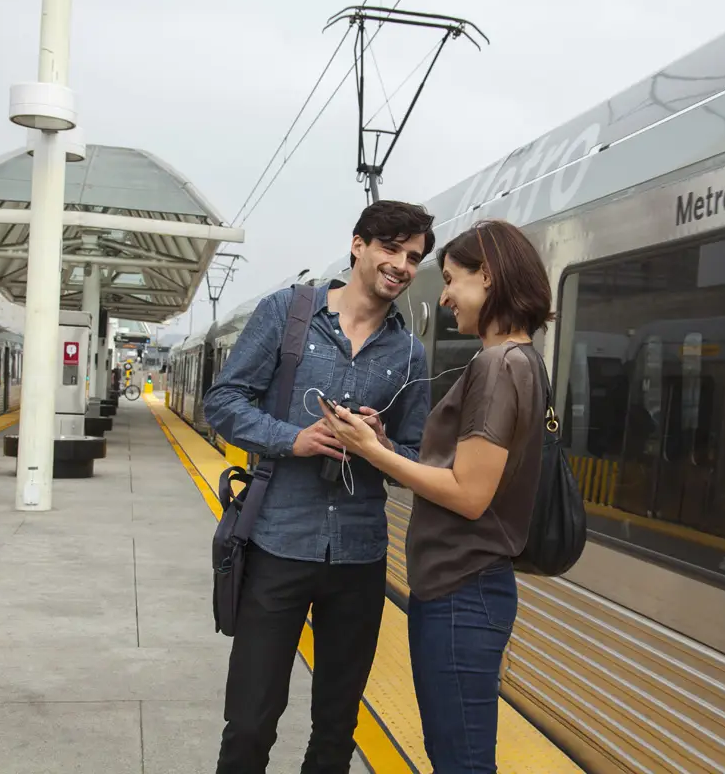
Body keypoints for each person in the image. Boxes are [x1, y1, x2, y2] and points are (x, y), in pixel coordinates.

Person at [202, 199, 435, 774]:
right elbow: (223, 401)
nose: (401, 265)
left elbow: (416, 456)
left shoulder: (410, 353)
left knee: (336, 727)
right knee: (251, 721)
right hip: (278, 544)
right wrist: (292, 440)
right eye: (390, 248)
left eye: (413, 257)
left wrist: (379, 448)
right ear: (357, 244)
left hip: (359, 557)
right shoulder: (287, 314)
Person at [319, 219, 553, 773]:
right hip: (466, 589)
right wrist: (382, 440)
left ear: (488, 277)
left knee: (461, 761)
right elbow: (469, 472)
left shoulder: (498, 366)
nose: (443, 296)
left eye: (450, 279)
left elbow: (469, 494)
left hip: (460, 592)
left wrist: (372, 453)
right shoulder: (523, 359)